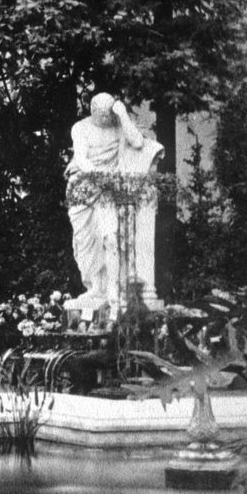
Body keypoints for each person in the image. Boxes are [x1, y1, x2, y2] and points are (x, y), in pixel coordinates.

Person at [65, 91, 164, 322]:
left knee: (109, 239)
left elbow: (138, 142)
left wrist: (122, 114)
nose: (105, 120)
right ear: (92, 112)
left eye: (108, 115)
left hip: (108, 192)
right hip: (85, 187)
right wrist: (99, 177)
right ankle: (95, 289)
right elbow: (81, 158)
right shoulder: (80, 128)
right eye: (101, 116)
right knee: (85, 242)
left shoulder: (119, 124)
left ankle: (112, 295)